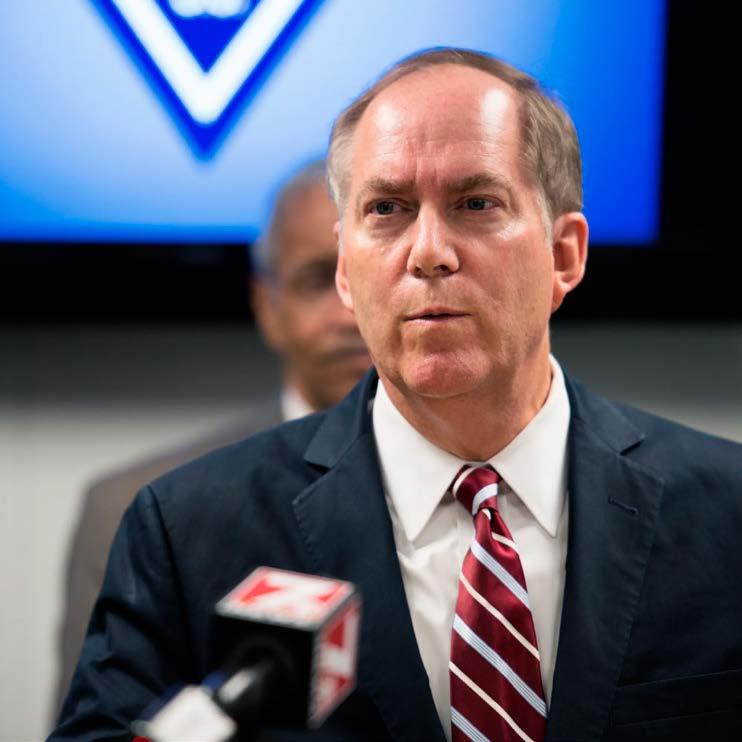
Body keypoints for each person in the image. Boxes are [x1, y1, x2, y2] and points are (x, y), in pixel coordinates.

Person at [50, 49, 742, 742]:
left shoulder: (726, 514)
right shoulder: (189, 531)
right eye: (387, 209)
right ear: (346, 271)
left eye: (476, 203)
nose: (428, 251)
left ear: (565, 255)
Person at [52, 159, 371, 720]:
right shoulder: (136, 508)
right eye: (319, 278)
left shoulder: (489, 492)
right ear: (266, 305)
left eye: (369, 274)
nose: (351, 313)